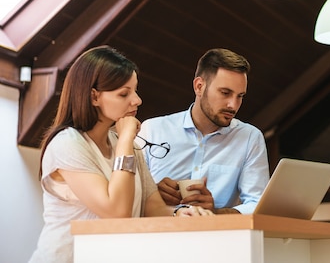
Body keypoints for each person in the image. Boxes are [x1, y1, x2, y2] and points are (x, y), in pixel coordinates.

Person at [29, 46, 211, 263]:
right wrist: (125, 139)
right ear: (94, 96)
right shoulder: (67, 144)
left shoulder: (125, 143)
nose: (136, 100)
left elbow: (152, 206)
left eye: (135, 90)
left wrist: (179, 213)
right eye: (124, 93)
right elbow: (116, 212)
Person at [139, 48, 270, 214]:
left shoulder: (250, 138)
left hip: (216, 237)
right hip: (158, 235)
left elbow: (257, 205)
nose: (233, 105)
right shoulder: (152, 130)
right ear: (199, 86)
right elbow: (129, 195)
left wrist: (215, 213)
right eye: (225, 93)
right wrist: (153, 194)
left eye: (240, 96)